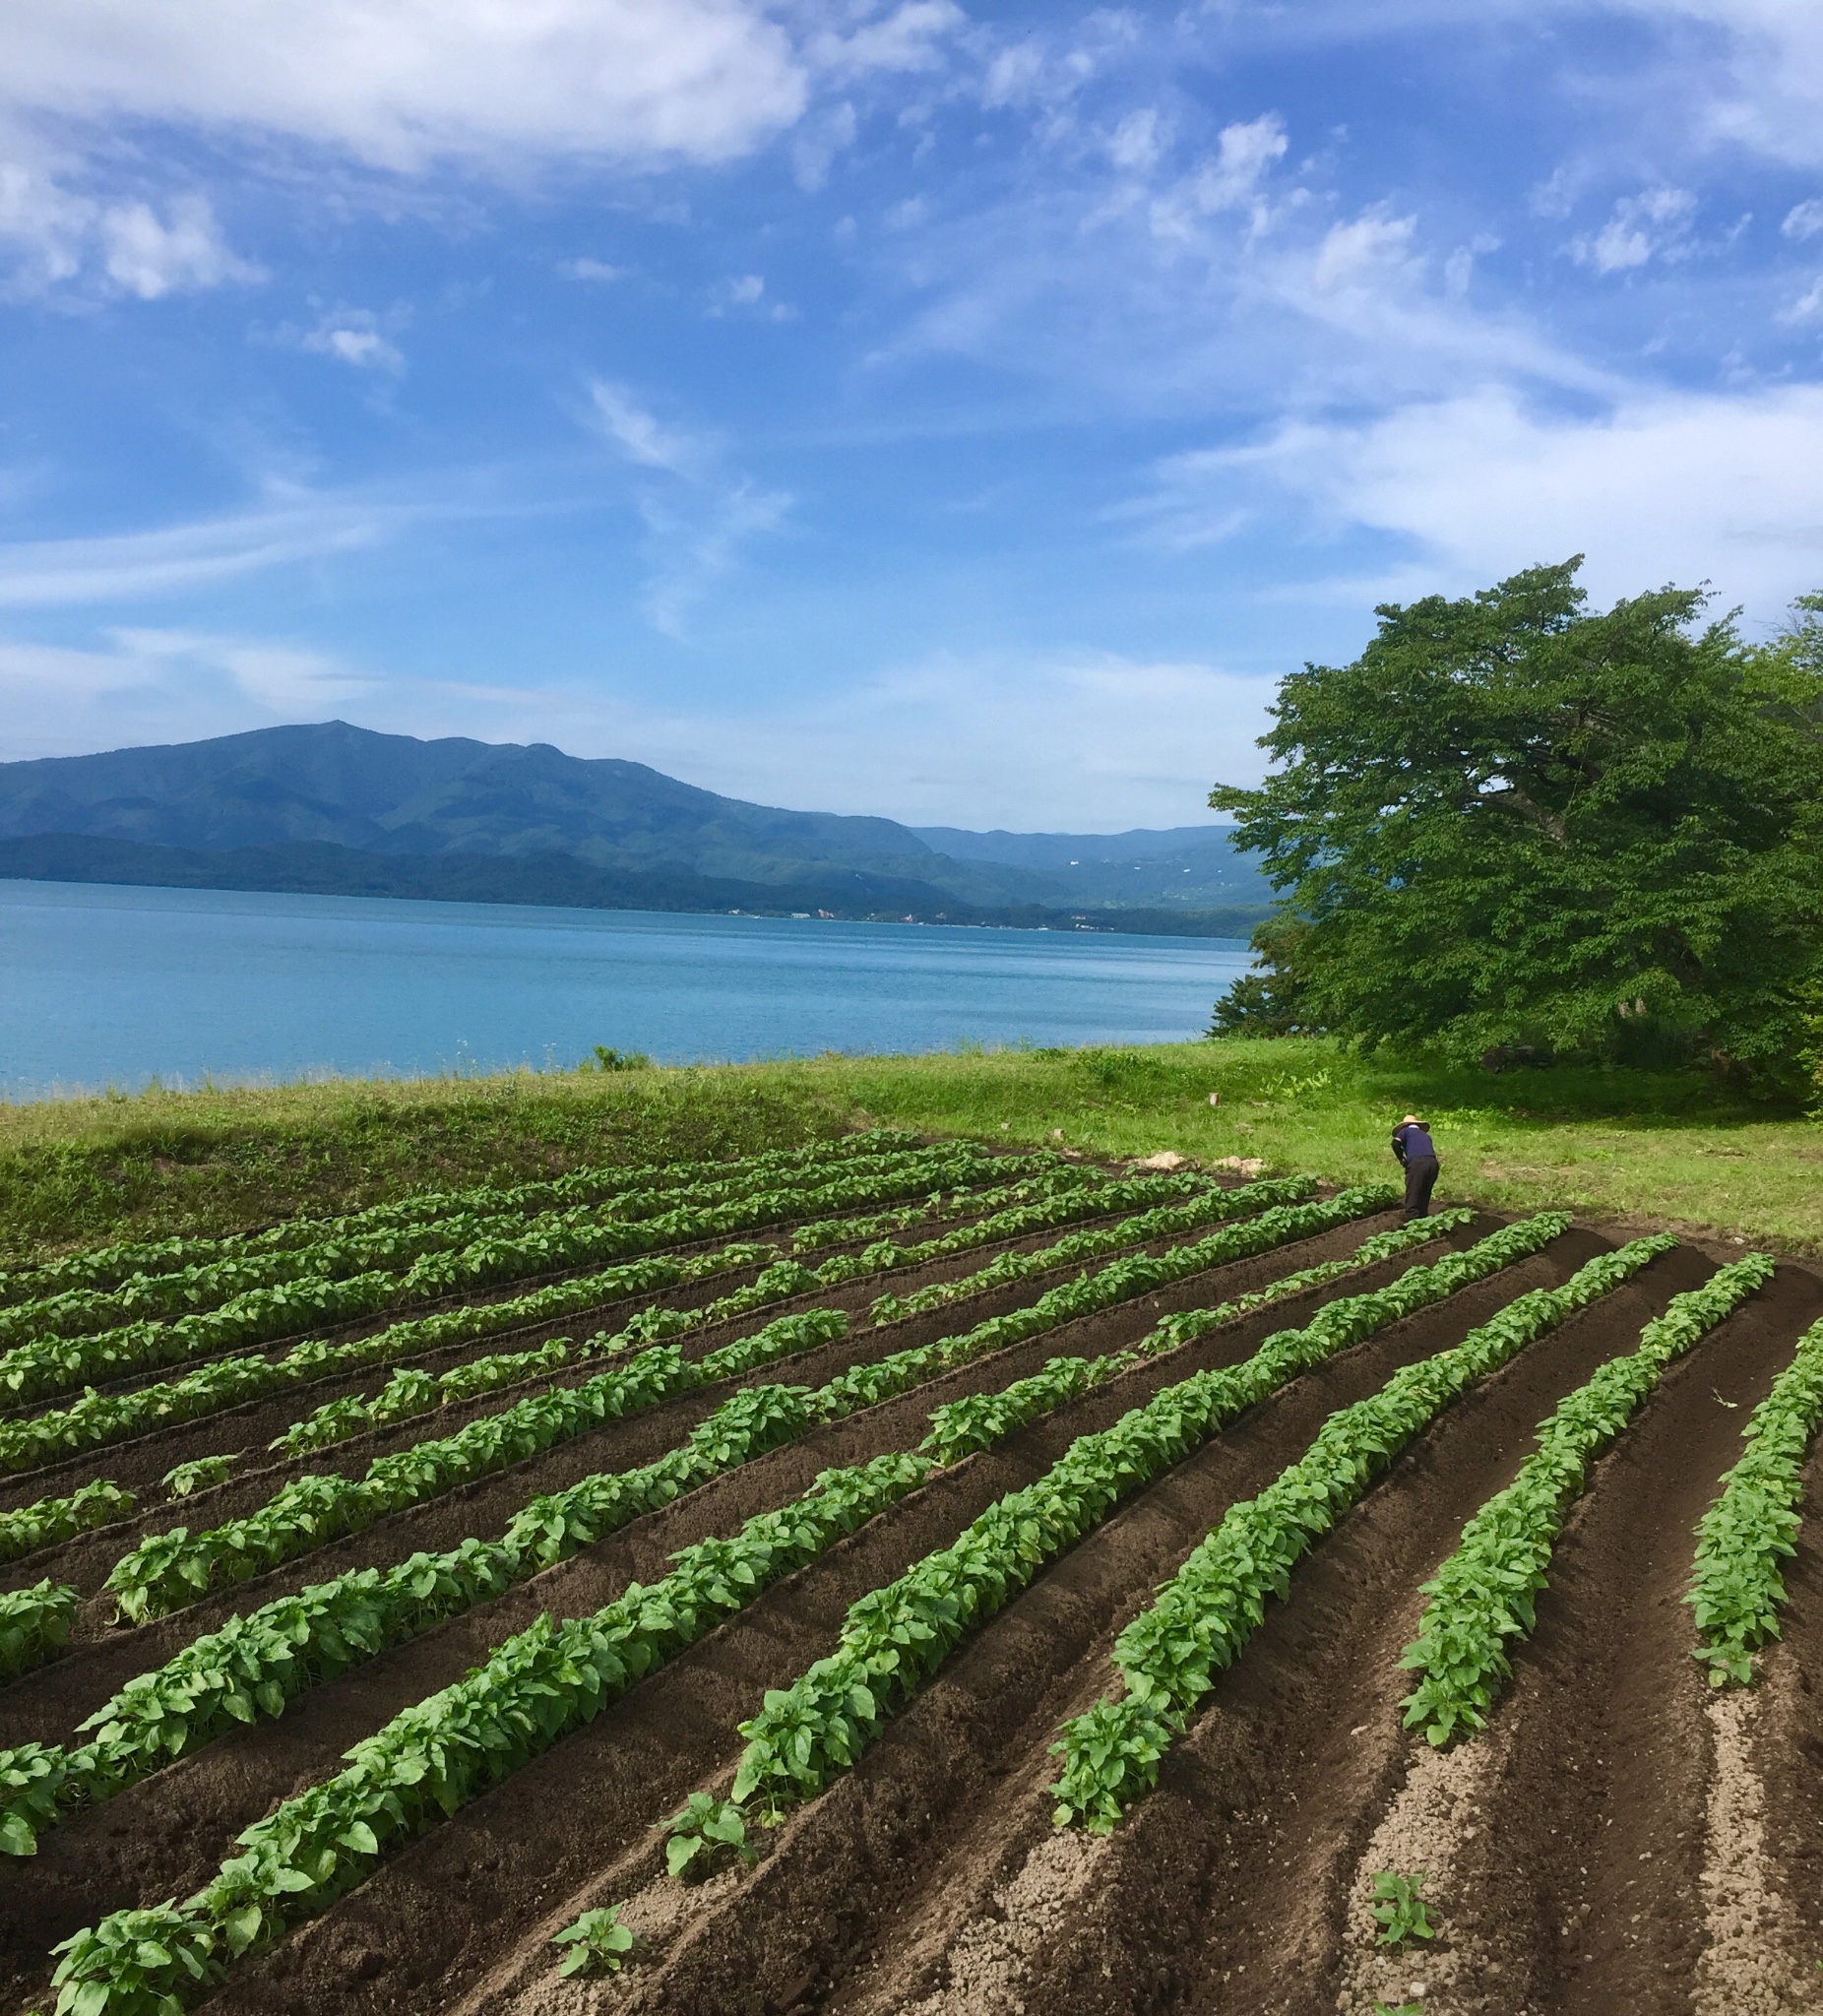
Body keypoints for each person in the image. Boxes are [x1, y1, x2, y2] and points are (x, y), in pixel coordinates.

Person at [1391, 1112, 1440, 1222]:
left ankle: (1411, 1216)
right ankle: (1422, 1217)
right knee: (1425, 1190)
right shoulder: (1426, 1136)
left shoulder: (1405, 1131)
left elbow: (1395, 1143)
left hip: (1418, 1162)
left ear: (1404, 1126)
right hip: (1433, 1163)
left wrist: (1401, 1159)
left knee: (1414, 1188)